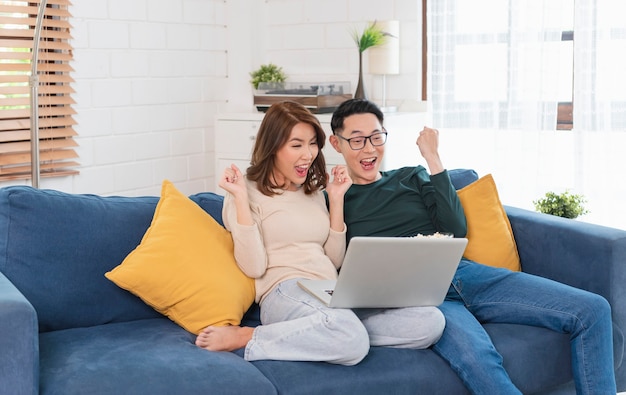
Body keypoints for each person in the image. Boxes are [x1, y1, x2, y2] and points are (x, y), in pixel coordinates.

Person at [328, 98, 617, 394]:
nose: (369, 148)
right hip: (420, 298)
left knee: (593, 309)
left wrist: (433, 159)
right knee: (482, 360)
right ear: (336, 144)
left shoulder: (410, 177)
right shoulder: (334, 197)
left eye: (376, 137)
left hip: (466, 273)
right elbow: (332, 260)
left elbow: (454, 229)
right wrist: (336, 200)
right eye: (357, 140)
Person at [195, 100, 445, 365]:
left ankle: (328, 334)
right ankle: (250, 336)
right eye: (297, 145)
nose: (309, 154)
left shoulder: (312, 192)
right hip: (285, 290)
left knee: (429, 322)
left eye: (313, 143)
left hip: (331, 290)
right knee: (350, 338)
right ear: (273, 147)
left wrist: (336, 200)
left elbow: (334, 261)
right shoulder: (245, 191)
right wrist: (241, 201)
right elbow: (254, 267)